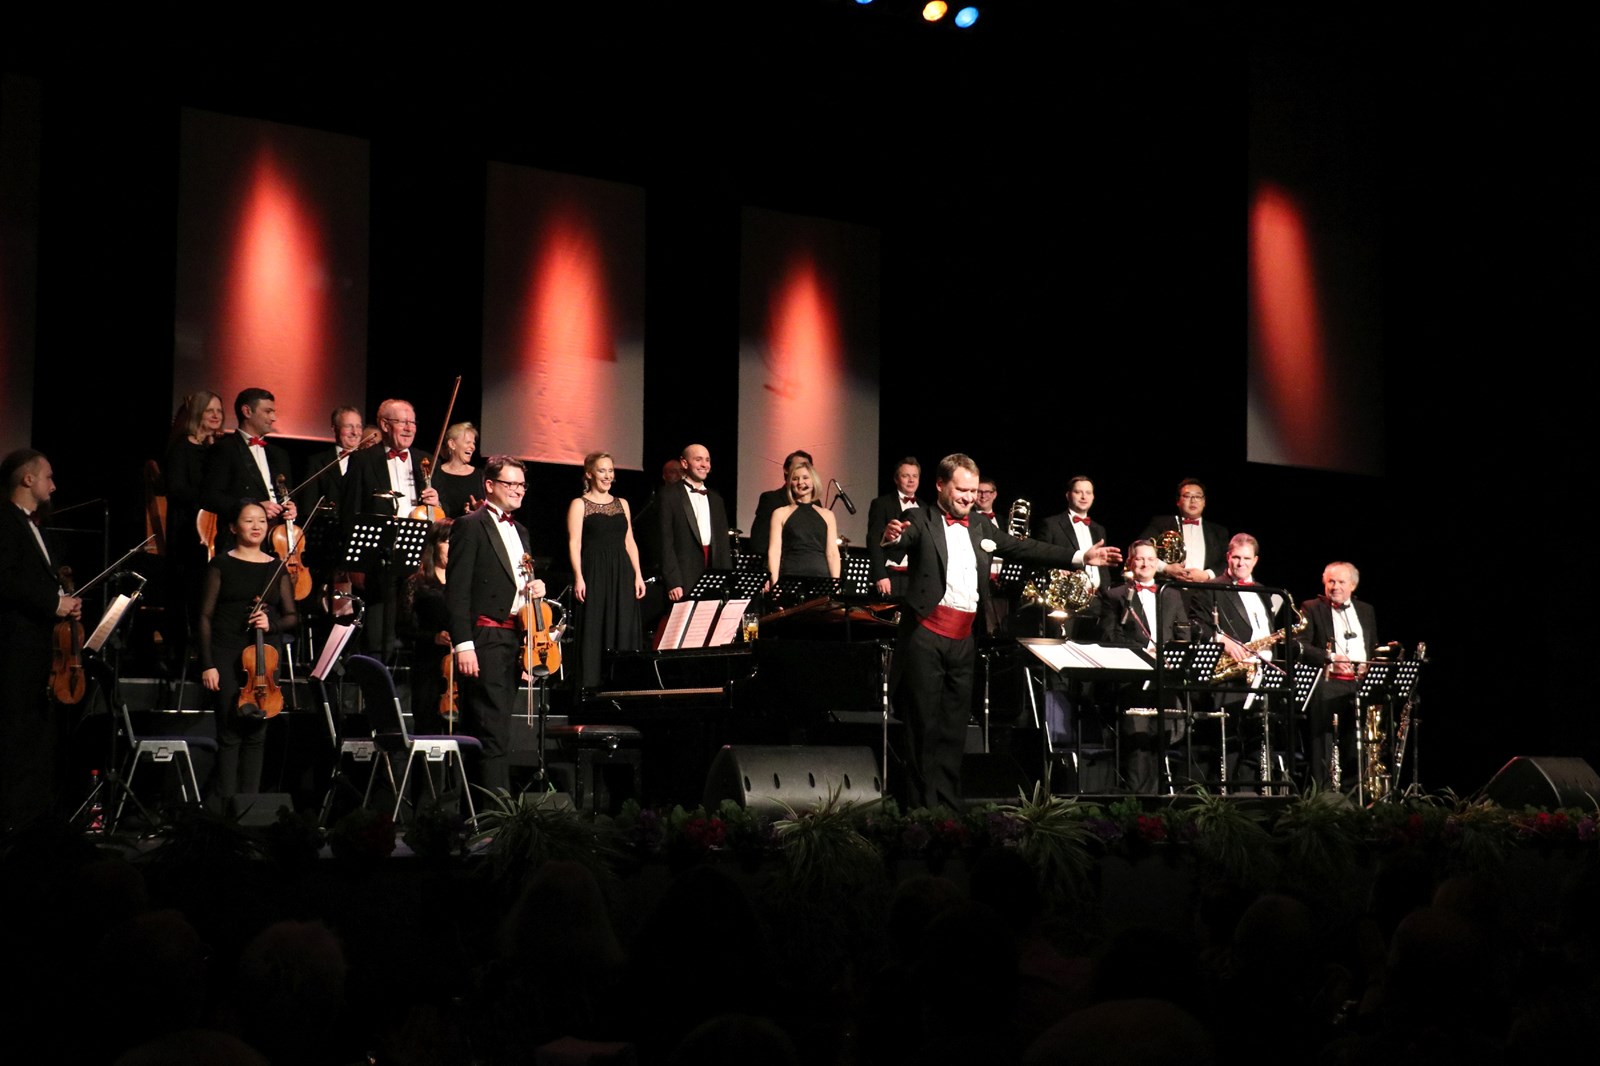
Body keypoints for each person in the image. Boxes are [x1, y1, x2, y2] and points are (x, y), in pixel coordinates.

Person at [881, 454, 1113, 809]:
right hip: (926, 634)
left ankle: (947, 807)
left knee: (955, 727)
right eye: (961, 490)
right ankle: (919, 809)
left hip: (964, 638)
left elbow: (1024, 547)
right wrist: (892, 538)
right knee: (923, 725)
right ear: (940, 485)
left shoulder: (980, 525)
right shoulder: (919, 517)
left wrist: (1079, 557)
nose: (968, 497)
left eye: (973, 491)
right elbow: (901, 537)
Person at [448, 456, 543, 792]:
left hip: (513, 639)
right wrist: (464, 644)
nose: (518, 490)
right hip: (485, 637)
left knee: (493, 727)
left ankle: (480, 812)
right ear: (489, 485)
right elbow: (457, 591)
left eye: (522, 485)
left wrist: (535, 586)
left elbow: (517, 582)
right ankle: (496, 814)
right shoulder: (470, 525)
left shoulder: (521, 531)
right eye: (510, 484)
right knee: (491, 731)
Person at [0, 450, 82, 829]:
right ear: (27, 479)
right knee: (16, 734)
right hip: (15, 648)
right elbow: (6, 579)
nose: (54, 485)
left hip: (40, 649)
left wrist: (65, 602)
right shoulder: (5, 521)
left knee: (36, 736)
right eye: (48, 476)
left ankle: (34, 819)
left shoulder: (35, 526)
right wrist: (53, 602)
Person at [198, 501, 298, 802]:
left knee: (257, 734)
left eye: (261, 521)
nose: (256, 526)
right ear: (233, 527)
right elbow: (204, 616)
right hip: (226, 653)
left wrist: (271, 624)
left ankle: (249, 810)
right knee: (230, 733)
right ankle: (226, 812)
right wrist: (208, 664)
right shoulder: (221, 565)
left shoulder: (275, 567)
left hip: (264, 659)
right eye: (248, 520)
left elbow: (292, 616)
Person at [1189, 533, 1295, 784]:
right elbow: (1195, 624)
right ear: (1228, 557)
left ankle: (1254, 790)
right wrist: (1222, 640)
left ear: (1255, 560)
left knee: (1259, 738)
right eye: (1236, 557)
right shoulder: (1211, 588)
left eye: (1246, 558)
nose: (1241, 563)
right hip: (1232, 673)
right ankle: (1224, 792)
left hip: (1262, 672)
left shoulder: (1265, 592)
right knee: (1229, 740)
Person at [342, 398, 440, 652]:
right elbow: (350, 512)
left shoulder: (426, 460)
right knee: (378, 633)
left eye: (412, 422)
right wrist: (356, 563)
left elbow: (444, 514)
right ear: (385, 425)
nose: (409, 428)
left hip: (420, 554)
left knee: (416, 628)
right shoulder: (363, 460)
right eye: (402, 422)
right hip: (379, 556)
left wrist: (437, 501)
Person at [1100, 540, 1187, 793]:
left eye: (1150, 559)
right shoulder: (1115, 595)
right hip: (1134, 680)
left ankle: (1158, 799)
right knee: (1138, 743)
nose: (1145, 564)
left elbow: (1183, 632)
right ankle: (1138, 801)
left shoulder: (1171, 594)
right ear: (1130, 562)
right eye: (1139, 559)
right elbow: (1109, 636)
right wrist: (1143, 652)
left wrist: (1174, 654)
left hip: (1165, 677)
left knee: (1162, 738)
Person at [566, 451, 646, 691]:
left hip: (622, 572)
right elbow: (574, 543)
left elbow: (629, 541)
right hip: (595, 573)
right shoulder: (579, 504)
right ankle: (591, 687)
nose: (608, 475)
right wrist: (579, 577)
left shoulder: (623, 503)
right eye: (602, 470)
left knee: (623, 626)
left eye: (611, 470)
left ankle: (622, 686)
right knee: (595, 627)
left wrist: (638, 574)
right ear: (590, 474)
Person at [1297, 561, 1378, 788]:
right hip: (1327, 685)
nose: (1335, 587)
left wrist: (1370, 664)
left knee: (1355, 743)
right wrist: (1330, 658)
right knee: (1322, 743)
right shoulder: (1311, 607)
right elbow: (1299, 645)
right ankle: (1322, 795)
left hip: (1359, 685)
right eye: (1331, 581)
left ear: (1353, 585)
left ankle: (1353, 794)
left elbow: (1372, 645)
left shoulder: (1366, 610)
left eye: (1341, 582)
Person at [162, 390, 224, 657]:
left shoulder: (215, 449)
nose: (216, 415)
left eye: (219, 411)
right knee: (192, 588)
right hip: (189, 530)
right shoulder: (182, 448)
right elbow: (176, 490)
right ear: (197, 413)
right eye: (210, 410)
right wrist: (208, 497)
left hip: (214, 529)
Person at [200, 387, 298, 552]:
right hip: (239, 540)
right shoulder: (224, 449)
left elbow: (286, 493)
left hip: (276, 540)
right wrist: (253, 507)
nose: (273, 418)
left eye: (273, 412)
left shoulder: (279, 454)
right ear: (247, 411)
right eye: (267, 411)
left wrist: (291, 508)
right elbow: (210, 497)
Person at [657, 444, 731, 605]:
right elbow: (665, 543)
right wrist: (673, 581)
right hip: (684, 577)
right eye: (698, 459)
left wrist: (726, 581)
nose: (704, 464)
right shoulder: (669, 495)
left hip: (712, 573)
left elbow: (723, 545)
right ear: (684, 463)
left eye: (707, 460)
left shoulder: (716, 500)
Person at [401, 518, 455, 736]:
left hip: (459, 665)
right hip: (428, 664)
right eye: (447, 541)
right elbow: (403, 628)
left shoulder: (464, 583)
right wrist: (434, 637)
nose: (453, 547)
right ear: (434, 545)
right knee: (427, 724)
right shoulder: (418, 583)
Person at [1141, 478, 1229, 584]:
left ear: (1204, 502)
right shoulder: (1161, 524)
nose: (1193, 501)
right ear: (1178, 501)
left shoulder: (1219, 532)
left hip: (1207, 589)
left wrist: (1207, 575)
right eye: (1187, 496)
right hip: (1169, 587)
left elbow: (1226, 560)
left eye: (1198, 496)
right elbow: (1140, 549)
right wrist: (1166, 568)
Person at [767, 460, 841, 584]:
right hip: (791, 577)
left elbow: (832, 553)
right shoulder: (780, 513)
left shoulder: (827, 515)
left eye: (805, 478)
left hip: (821, 578)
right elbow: (774, 552)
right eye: (795, 479)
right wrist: (775, 583)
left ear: (813, 481)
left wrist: (835, 584)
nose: (800, 482)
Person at [867, 457, 923, 597]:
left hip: (916, 576)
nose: (911, 480)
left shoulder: (924, 507)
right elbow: (873, 540)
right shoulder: (881, 504)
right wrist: (880, 575)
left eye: (915, 476)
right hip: (892, 574)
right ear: (896, 479)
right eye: (905, 476)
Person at [303, 405, 365, 516]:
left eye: (358, 426)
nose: (355, 432)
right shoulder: (316, 462)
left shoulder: (369, 461)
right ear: (334, 429)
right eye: (348, 426)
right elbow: (308, 505)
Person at [749, 449, 813, 555]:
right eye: (798, 467)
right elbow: (759, 541)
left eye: (806, 467)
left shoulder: (815, 504)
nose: (801, 471)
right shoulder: (771, 499)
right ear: (786, 470)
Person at [431, 421, 482, 519]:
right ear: (452, 444)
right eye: (468, 442)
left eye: (473, 443)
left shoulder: (480, 475)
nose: (473, 447)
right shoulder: (435, 473)